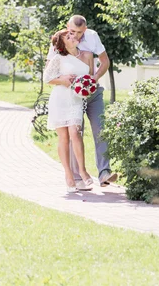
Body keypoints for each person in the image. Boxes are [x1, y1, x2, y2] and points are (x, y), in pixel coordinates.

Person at [46, 15, 118, 189]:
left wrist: (93, 79)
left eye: (79, 32)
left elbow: (104, 61)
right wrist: (62, 79)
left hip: (92, 92)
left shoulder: (92, 37)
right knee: (74, 134)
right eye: (72, 32)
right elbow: (49, 72)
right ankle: (77, 177)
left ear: (85, 29)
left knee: (101, 128)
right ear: (67, 27)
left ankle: (104, 173)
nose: (76, 36)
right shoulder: (60, 40)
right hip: (70, 96)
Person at [44, 30, 94, 193]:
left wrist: (88, 88)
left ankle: (82, 170)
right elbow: (47, 78)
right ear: (63, 43)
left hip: (76, 101)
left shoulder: (86, 56)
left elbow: (91, 78)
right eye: (69, 37)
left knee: (75, 132)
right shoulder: (59, 58)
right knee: (64, 137)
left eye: (73, 35)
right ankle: (68, 174)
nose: (73, 37)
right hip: (60, 99)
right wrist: (62, 80)